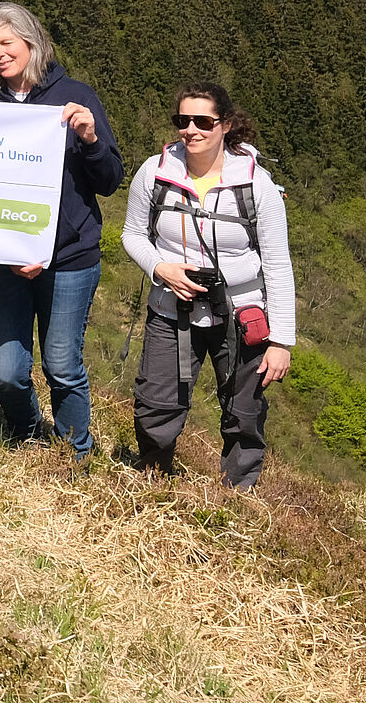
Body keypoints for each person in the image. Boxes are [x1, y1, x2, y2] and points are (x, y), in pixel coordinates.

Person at [0, 2, 124, 457]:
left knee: (62, 366)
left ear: (30, 41)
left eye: (6, 43)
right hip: (5, 259)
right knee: (7, 370)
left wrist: (91, 139)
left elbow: (110, 180)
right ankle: (30, 436)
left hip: (69, 259)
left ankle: (74, 455)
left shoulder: (76, 95)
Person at [124, 82, 294, 489]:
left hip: (242, 313)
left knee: (244, 410)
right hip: (171, 308)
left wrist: (281, 341)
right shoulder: (156, 171)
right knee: (156, 403)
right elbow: (132, 234)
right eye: (182, 121)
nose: (191, 130)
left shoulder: (256, 185)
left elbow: (277, 262)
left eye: (203, 121)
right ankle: (152, 479)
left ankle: (237, 495)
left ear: (226, 125)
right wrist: (160, 268)